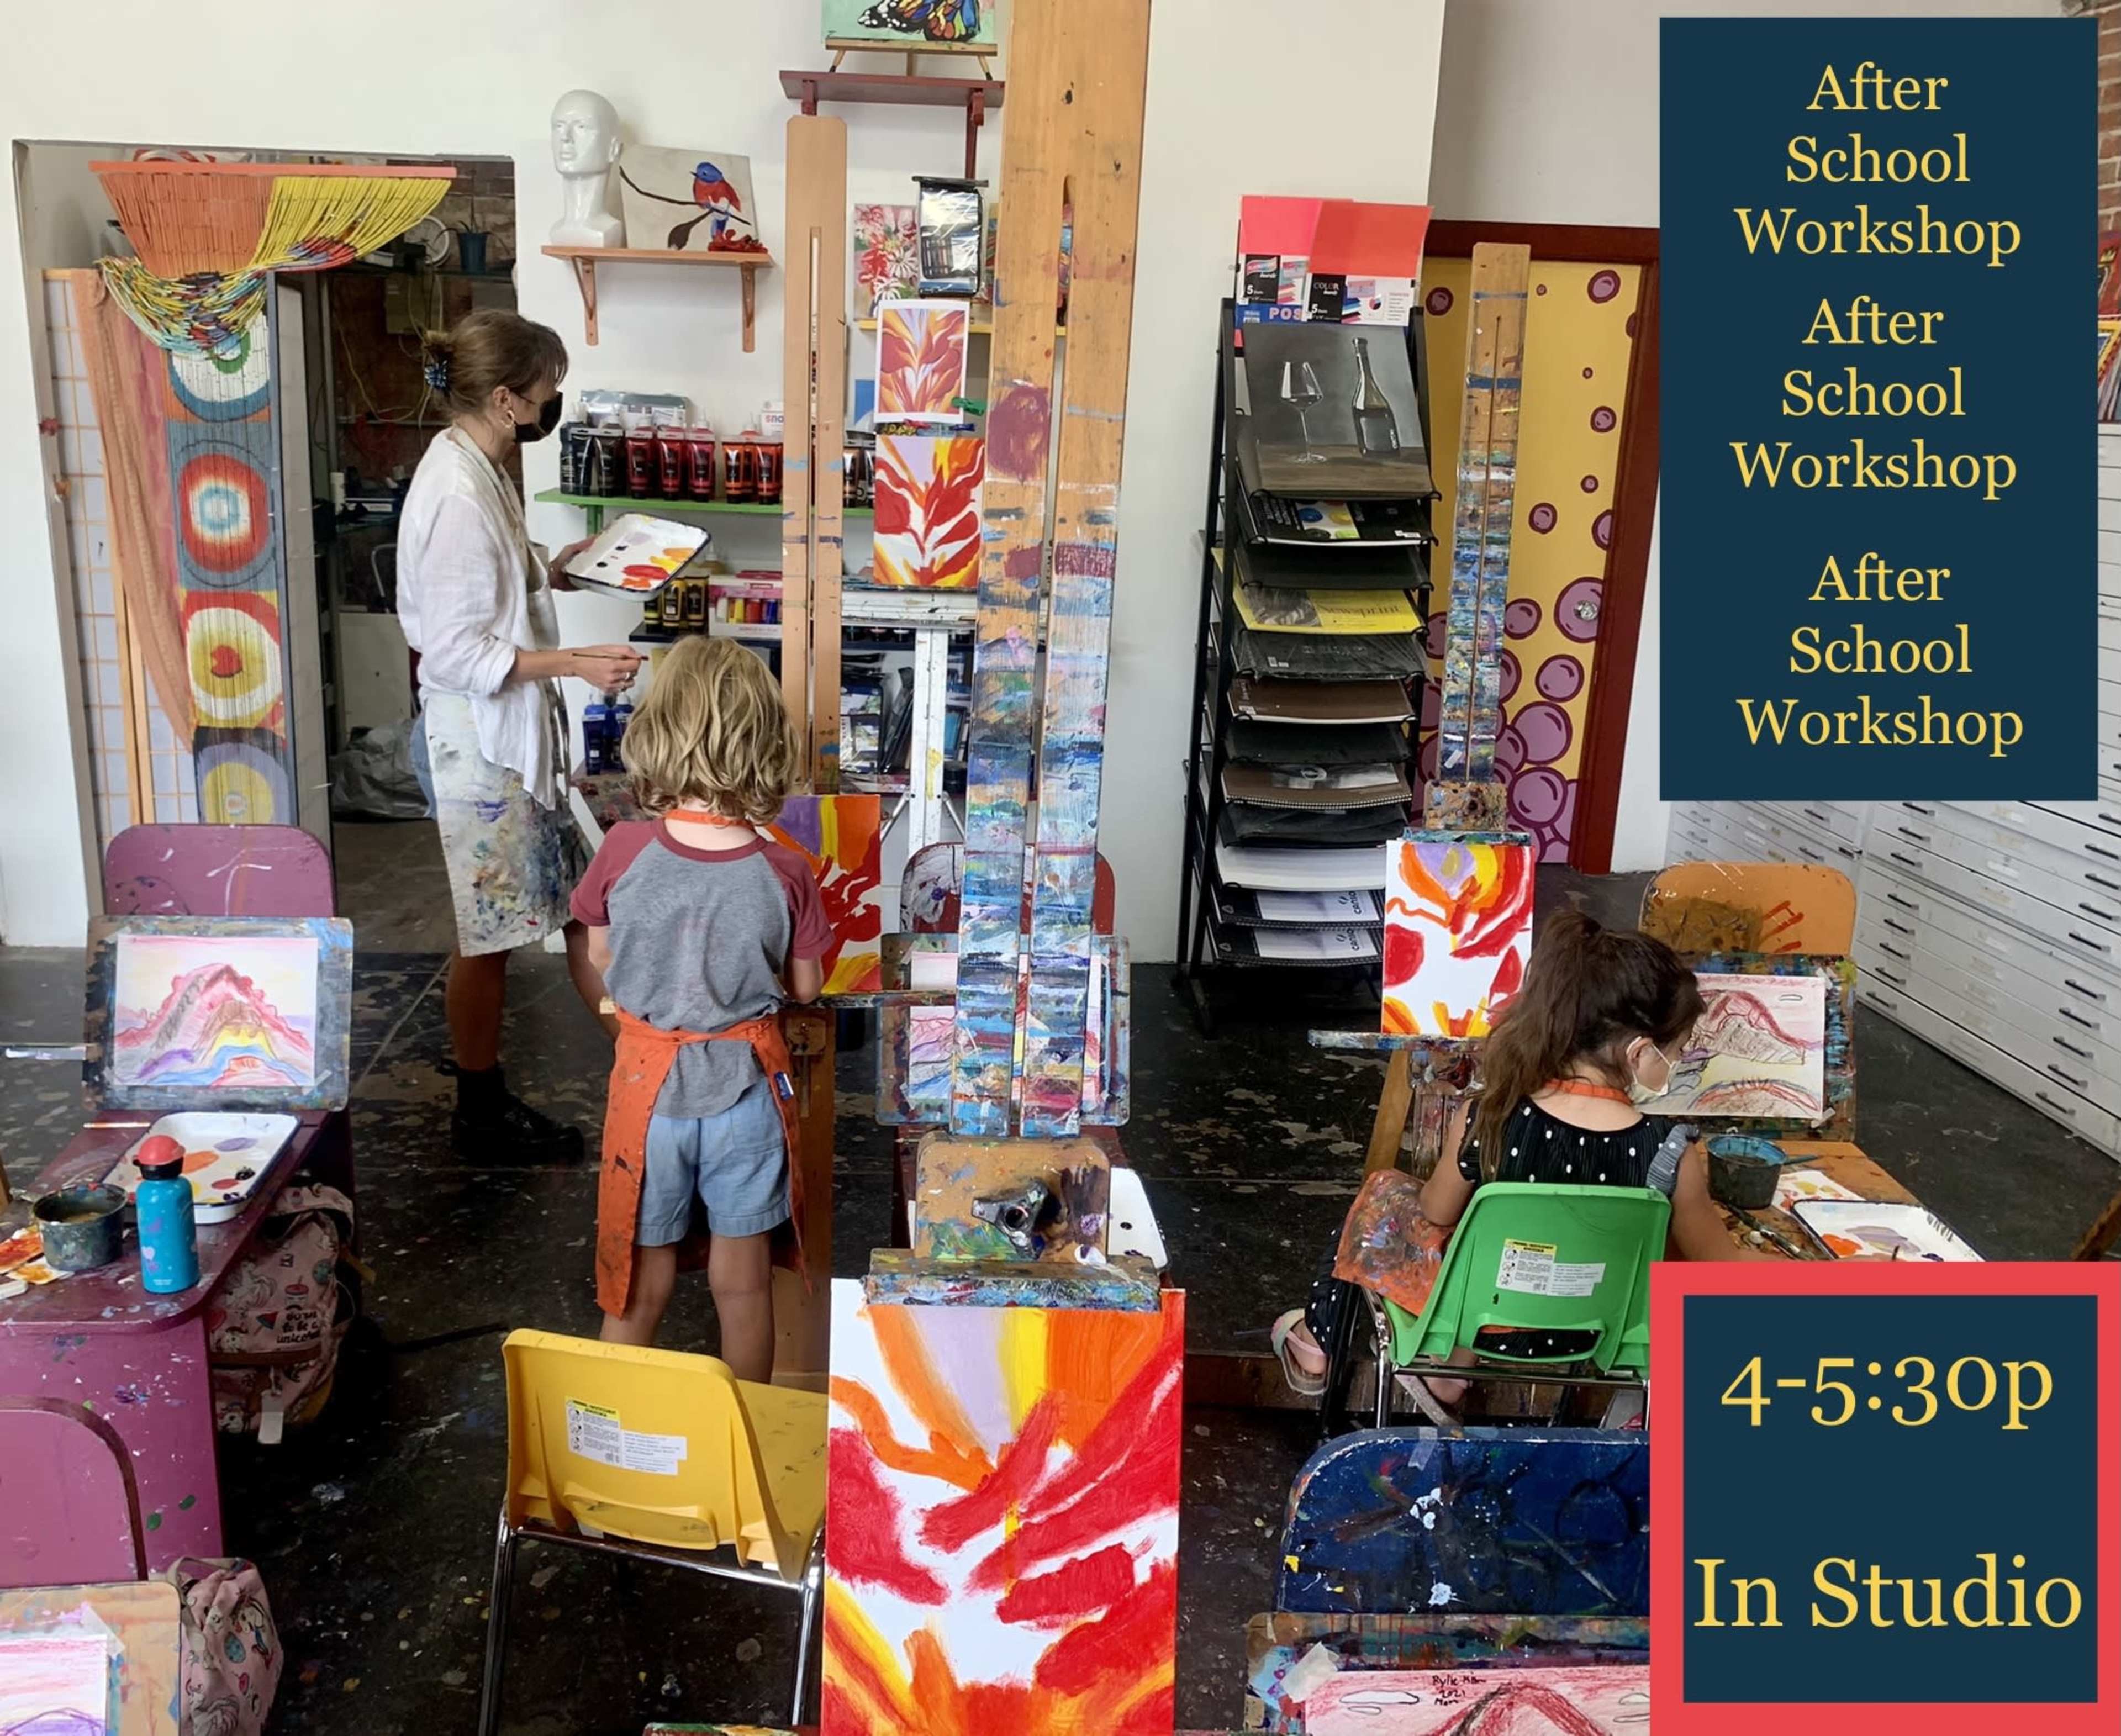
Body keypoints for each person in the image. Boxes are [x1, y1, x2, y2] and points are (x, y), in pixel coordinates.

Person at [1272, 910, 1771, 1402]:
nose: (1678, 1064)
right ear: (1639, 1052)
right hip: (1600, 1335)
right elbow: (1719, 1261)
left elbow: (1435, 1212)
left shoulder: (1489, 1117)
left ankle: (1326, 1342)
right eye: (1677, 1051)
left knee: (1385, 1194)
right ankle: (1447, 1367)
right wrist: (1809, 1274)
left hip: (1485, 1322)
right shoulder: (1669, 1151)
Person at [397, 309, 643, 1163]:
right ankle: (480, 1106)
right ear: (506, 399)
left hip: (510, 740)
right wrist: (576, 661)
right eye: (548, 391)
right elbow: (456, 650)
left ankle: (651, 1067)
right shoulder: (457, 492)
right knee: (494, 934)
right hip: (482, 750)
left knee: (576, 910)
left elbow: (496, 575)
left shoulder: (482, 465)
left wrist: (559, 566)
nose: (552, 404)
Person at [570, 636, 830, 1372]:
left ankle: (612, 1426)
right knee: (742, 1286)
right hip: (745, 1092)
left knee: (636, 1285)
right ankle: (743, 1425)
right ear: (767, 745)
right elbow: (806, 988)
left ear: (656, 732)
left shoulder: (623, 848)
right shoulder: (786, 869)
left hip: (647, 1093)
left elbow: (600, 958)